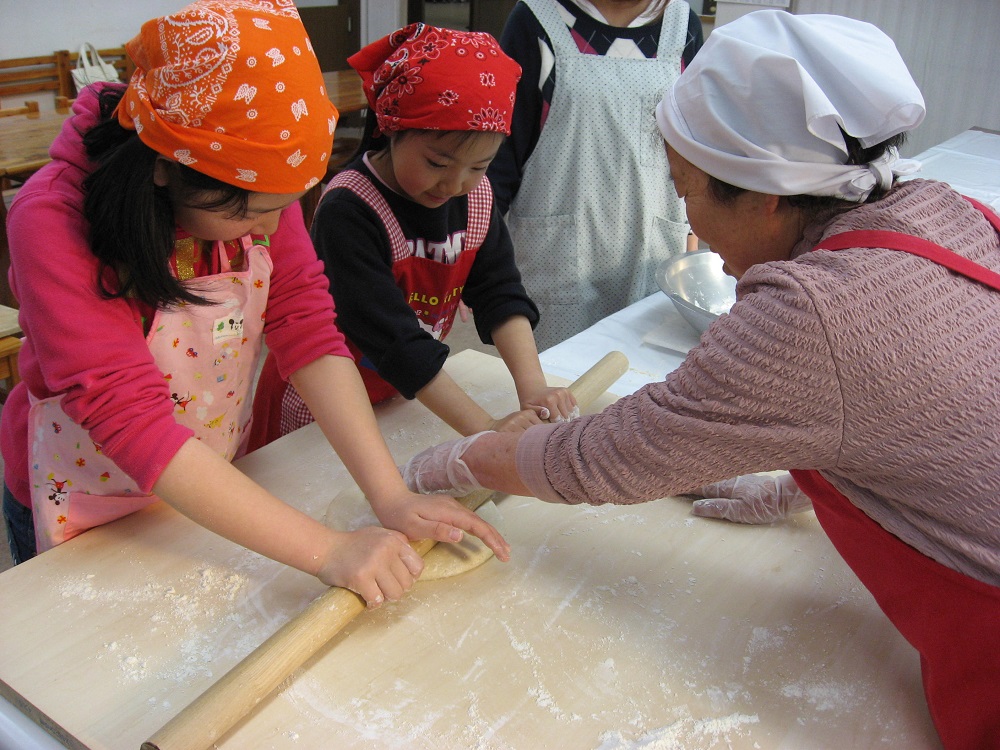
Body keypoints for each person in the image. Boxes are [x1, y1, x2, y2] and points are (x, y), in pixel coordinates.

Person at [399, 11, 1000, 748]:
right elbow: (933, 412)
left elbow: (610, 455)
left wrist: (469, 459)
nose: (689, 221)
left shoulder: (810, 311)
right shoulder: (947, 210)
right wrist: (818, 474)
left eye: (686, 191)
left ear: (766, 194)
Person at [0, 0, 508, 610]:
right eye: (255, 212)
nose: (270, 230)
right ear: (166, 170)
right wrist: (328, 550)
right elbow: (128, 418)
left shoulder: (257, 178)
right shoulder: (52, 222)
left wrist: (390, 495)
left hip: (210, 479)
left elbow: (308, 328)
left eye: (285, 206)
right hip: (89, 493)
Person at [250, 23, 577, 448]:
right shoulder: (350, 210)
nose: (454, 184)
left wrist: (533, 388)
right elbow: (395, 340)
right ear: (392, 127)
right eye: (437, 163)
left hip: (400, 389)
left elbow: (500, 292)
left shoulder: (476, 197)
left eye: (479, 166)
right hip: (321, 403)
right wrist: (484, 428)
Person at [486, 0, 704, 350]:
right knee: (557, 378)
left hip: (652, 252)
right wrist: (473, 253)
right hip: (558, 258)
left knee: (640, 375)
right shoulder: (536, 21)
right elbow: (499, 160)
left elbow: (695, 153)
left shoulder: (682, 27)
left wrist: (692, 245)